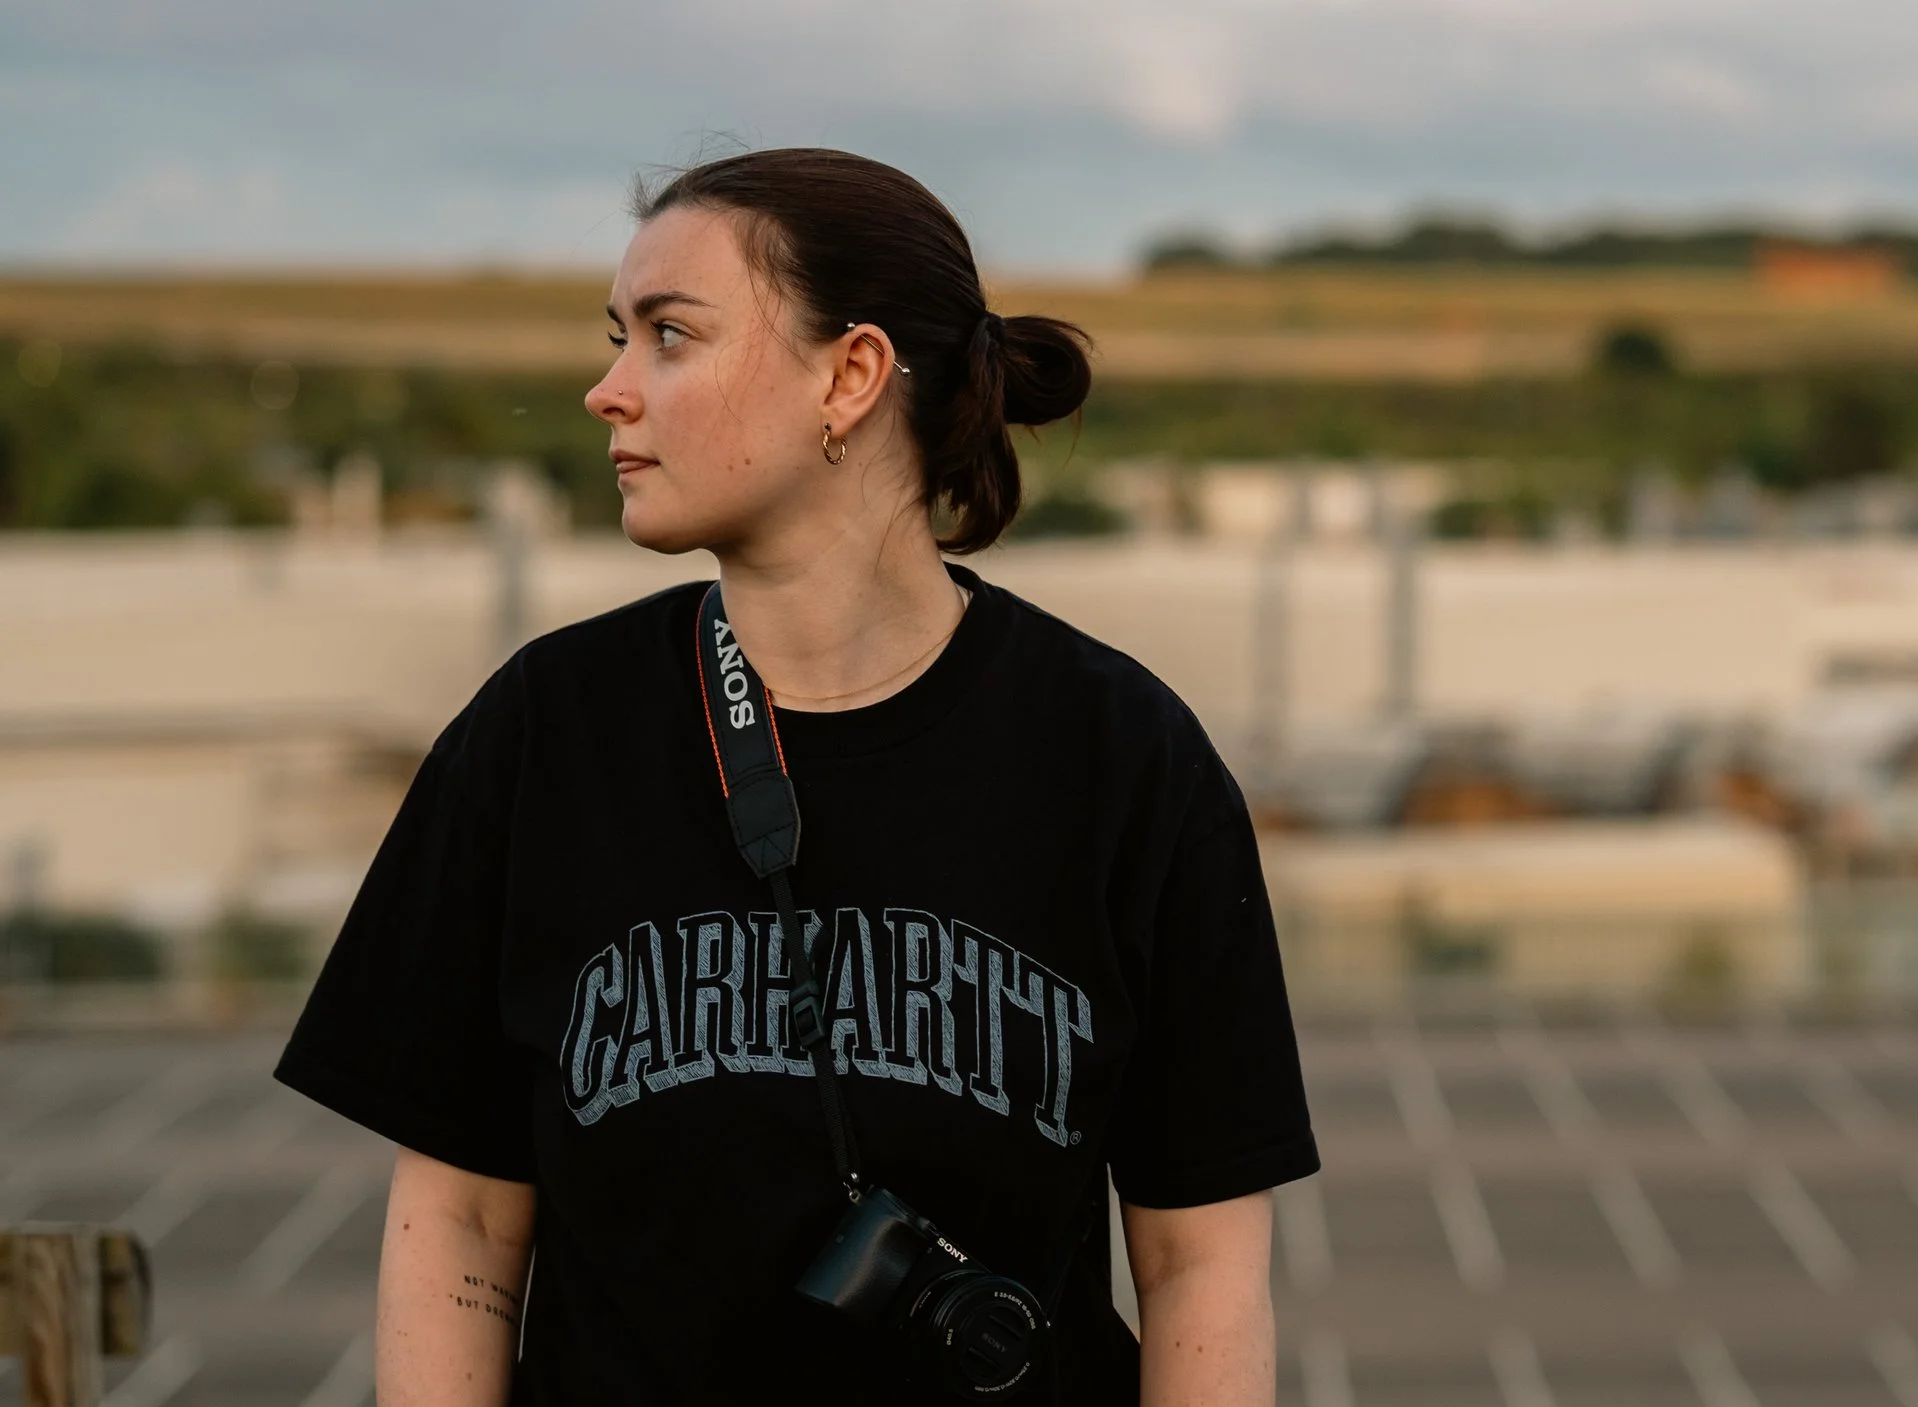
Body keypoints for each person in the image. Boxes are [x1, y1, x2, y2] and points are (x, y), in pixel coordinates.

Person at [276, 147, 1319, 1404]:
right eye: (619, 337)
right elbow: (459, 1229)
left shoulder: (1124, 760)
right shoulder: (541, 738)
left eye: (669, 335)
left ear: (853, 374)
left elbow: (1198, 1254)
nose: (608, 391)